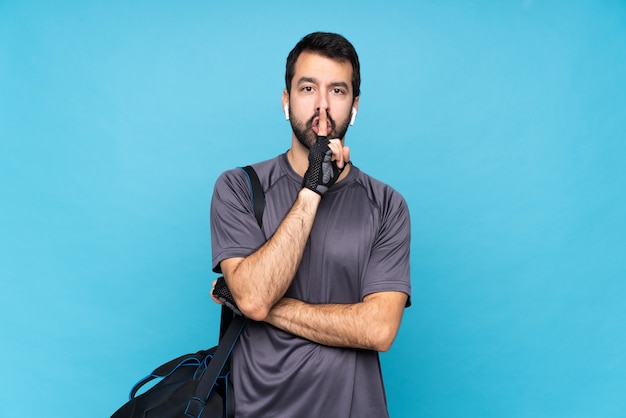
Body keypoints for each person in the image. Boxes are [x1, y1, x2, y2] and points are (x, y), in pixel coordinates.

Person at [210, 31, 411, 418]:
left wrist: (267, 310)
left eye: (337, 91)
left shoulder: (387, 205)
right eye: (307, 88)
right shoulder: (238, 188)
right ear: (286, 102)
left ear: (354, 107)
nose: (322, 105)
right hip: (258, 410)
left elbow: (379, 330)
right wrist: (311, 191)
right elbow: (252, 296)